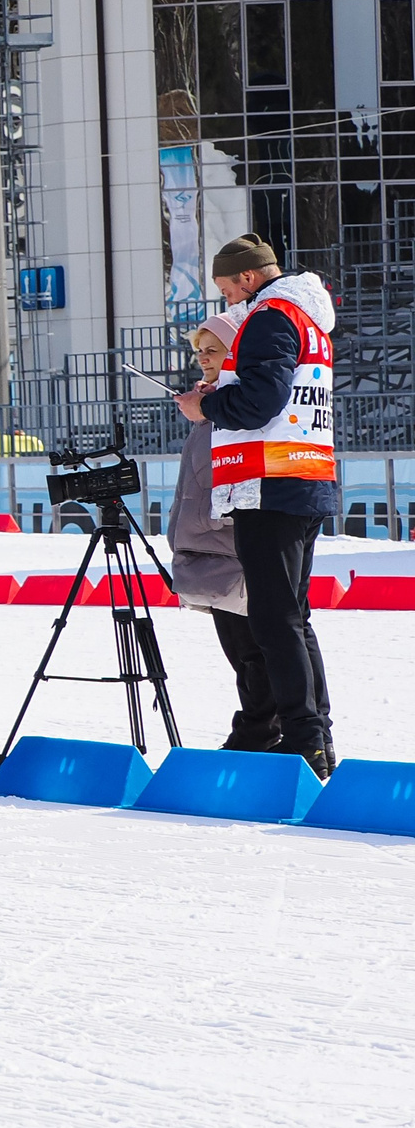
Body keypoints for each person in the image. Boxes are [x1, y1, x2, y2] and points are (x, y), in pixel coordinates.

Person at [177, 234, 337, 777]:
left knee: (273, 620)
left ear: (248, 277)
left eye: (226, 288)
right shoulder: (310, 320)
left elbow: (259, 400)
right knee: (294, 617)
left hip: (268, 483)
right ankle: (316, 736)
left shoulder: (269, 316)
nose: (226, 301)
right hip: (303, 476)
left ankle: (302, 741)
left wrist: (207, 405)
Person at [168, 313, 280, 753]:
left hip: (234, 550)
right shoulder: (213, 405)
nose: (203, 359)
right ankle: (256, 730)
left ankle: (260, 733)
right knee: (241, 654)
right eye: (200, 351)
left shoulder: (238, 405)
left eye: (213, 350)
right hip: (209, 552)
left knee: (255, 653)